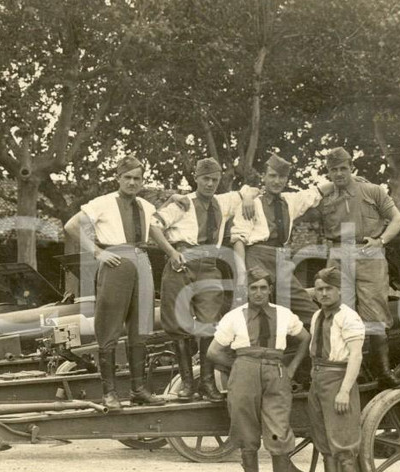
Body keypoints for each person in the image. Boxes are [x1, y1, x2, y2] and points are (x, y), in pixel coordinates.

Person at [148, 157, 258, 403]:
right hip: (181, 263)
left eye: (214, 180)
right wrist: (171, 252)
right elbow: (153, 225)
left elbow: (250, 189)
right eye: (205, 179)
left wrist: (249, 198)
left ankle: (207, 382)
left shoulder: (224, 201)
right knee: (178, 323)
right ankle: (188, 383)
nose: (210, 184)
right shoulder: (183, 203)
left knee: (210, 323)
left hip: (209, 266)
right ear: (196, 179)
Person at [207, 267, 311, 472]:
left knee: (279, 433)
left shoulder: (284, 314)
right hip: (244, 373)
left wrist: (292, 368)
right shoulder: (234, 317)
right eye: (253, 288)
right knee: (247, 435)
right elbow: (213, 351)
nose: (259, 293)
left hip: (276, 374)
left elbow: (306, 338)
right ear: (247, 291)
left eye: (263, 288)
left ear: (270, 289)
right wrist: (238, 367)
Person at [64, 155, 165, 411]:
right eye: (127, 177)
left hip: (141, 260)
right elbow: (71, 226)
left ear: (142, 181)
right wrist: (97, 252)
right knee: (109, 328)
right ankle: (109, 393)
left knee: (141, 328)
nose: (132, 182)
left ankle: (138, 389)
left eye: (137, 178)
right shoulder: (103, 202)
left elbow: (159, 226)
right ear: (118, 178)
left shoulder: (146, 206)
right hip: (115, 262)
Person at [319, 146, 400, 390]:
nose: (339, 173)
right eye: (334, 170)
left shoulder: (372, 191)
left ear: (352, 168)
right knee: (338, 313)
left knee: (375, 314)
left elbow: (398, 220)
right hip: (338, 254)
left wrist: (381, 241)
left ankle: (383, 374)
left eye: (343, 168)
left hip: (368, 255)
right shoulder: (324, 195)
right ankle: (343, 374)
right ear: (328, 172)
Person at [230, 153, 335, 326]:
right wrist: (242, 275)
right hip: (257, 259)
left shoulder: (290, 201)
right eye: (272, 176)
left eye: (281, 177)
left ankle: (319, 339)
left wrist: (350, 180)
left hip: (281, 259)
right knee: (259, 315)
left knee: (310, 310)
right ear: (263, 177)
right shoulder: (252, 203)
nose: (277, 181)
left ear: (286, 179)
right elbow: (238, 239)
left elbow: (318, 192)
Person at [304, 266, 365, 472]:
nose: (324, 293)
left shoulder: (349, 317)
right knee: (325, 444)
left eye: (329, 288)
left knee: (343, 445)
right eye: (319, 289)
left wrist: (344, 390)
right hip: (318, 380)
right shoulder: (317, 316)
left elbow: (356, 356)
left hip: (339, 379)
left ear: (339, 290)